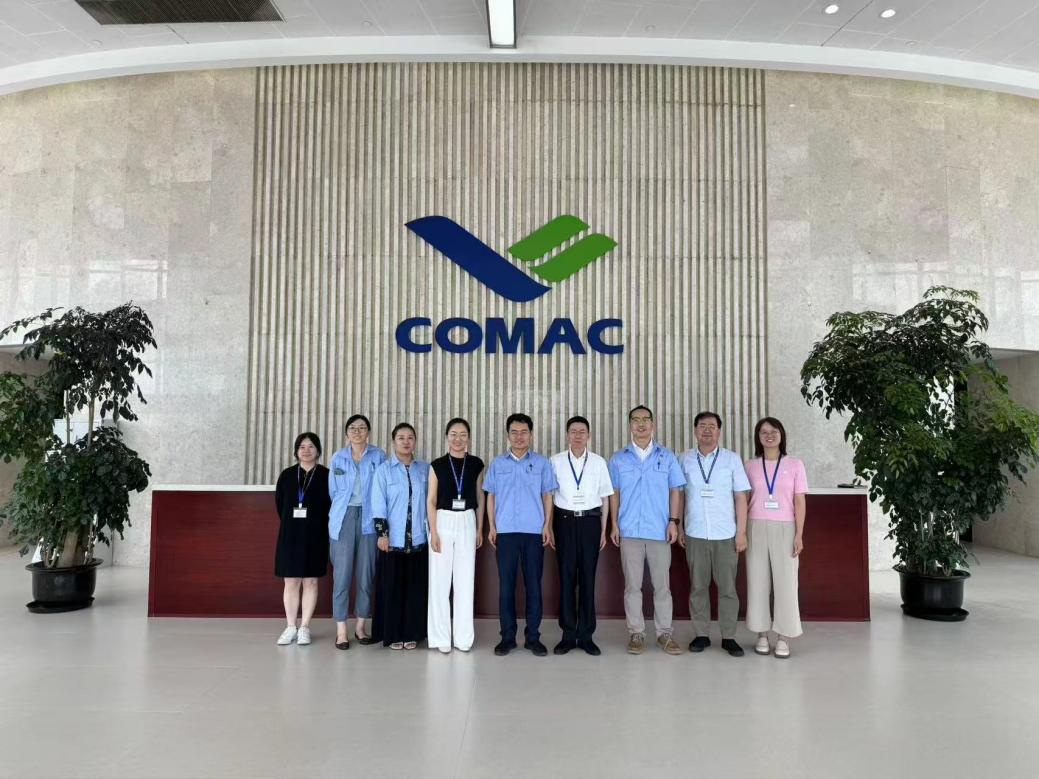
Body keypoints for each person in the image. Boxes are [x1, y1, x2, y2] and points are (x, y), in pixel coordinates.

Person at [608, 405, 686, 656]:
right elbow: (614, 493)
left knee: (662, 586)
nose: (641, 424)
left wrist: (674, 521)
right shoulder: (618, 459)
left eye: (645, 419)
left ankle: (664, 634)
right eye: (635, 420)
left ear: (653, 424)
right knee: (632, 586)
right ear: (630, 425)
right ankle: (637, 633)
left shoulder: (667, 456)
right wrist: (614, 524)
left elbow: (676, 490)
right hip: (629, 530)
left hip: (659, 530)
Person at [484, 413, 559, 657]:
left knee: (533, 586)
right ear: (508, 435)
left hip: (533, 532)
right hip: (505, 532)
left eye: (523, 432)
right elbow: (491, 496)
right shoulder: (498, 464)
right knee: (506, 586)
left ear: (531, 435)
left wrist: (547, 526)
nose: (519, 437)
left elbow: (548, 495)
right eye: (514, 432)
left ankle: (533, 637)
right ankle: (507, 637)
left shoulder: (542, 463)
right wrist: (492, 526)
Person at [679, 411, 750, 657]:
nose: (707, 430)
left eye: (712, 426)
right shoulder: (684, 459)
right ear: (695, 431)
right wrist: (679, 526)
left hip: (726, 534)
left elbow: (740, 497)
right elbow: (679, 495)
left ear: (719, 431)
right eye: (702, 426)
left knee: (727, 588)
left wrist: (741, 532)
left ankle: (729, 636)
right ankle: (701, 634)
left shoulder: (732, 459)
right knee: (698, 587)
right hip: (695, 532)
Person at [549, 415, 614, 656]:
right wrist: (549, 527)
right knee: (566, 578)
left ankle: (586, 636)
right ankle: (567, 635)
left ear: (589, 436)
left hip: (590, 523)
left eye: (582, 432)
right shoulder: (555, 461)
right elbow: (548, 496)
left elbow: (605, 497)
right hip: (564, 522)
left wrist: (603, 529)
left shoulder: (598, 462)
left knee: (588, 578)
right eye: (573, 431)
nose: (577, 435)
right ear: (567, 435)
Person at [745, 417, 807, 659]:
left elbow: (799, 501)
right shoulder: (750, 465)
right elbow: (743, 500)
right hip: (755, 527)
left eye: (774, 431)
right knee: (757, 581)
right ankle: (761, 633)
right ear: (758, 437)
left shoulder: (795, 464)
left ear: (782, 434)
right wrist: (741, 531)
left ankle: (783, 636)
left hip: (786, 528)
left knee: (786, 583)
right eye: (763, 432)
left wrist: (799, 534)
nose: (769, 435)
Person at [328, 414, 387, 649]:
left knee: (365, 574)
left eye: (362, 428)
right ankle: (341, 630)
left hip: (370, 519)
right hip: (343, 518)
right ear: (347, 433)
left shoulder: (379, 456)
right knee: (341, 576)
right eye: (352, 428)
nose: (357, 431)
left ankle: (361, 626)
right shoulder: (338, 458)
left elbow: (382, 490)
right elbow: (333, 491)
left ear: (368, 433)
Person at [427, 418, 485, 654]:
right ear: (447, 437)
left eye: (462, 434)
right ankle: (440, 636)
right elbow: (431, 500)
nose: (458, 439)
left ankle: (463, 637)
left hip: (467, 520)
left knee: (465, 581)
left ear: (468, 437)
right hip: (443, 521)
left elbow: (480, 498)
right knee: (440, 582)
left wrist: (479, 529)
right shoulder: (437, 465)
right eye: (453, 434)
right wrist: (433, 531)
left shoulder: (477, 464)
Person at [370, 423, 430, 650]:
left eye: (410, 437)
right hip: (393, 540)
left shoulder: (424, 469)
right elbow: (378, 504)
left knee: (415, 589)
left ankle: (412, 633)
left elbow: (430, 502)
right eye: (401, 438)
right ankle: (394, 634)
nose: (406, 442)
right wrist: (382, 534)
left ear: (415, 442)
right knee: (393, 588)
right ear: (393, 441)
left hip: (418, 539)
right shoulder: (383, 470)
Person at [274, 432, 330, 646]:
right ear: (296, 451)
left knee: (311, 581)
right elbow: (280, 504)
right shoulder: (287, 475)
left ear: (318, 450)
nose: (306, 451)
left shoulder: (326, 475)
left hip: (316, 536)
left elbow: (331, 505)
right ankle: (290, 626)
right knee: (291, 581)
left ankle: (305, 627)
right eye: (302, 447)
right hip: (290, 535)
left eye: (311, 446)